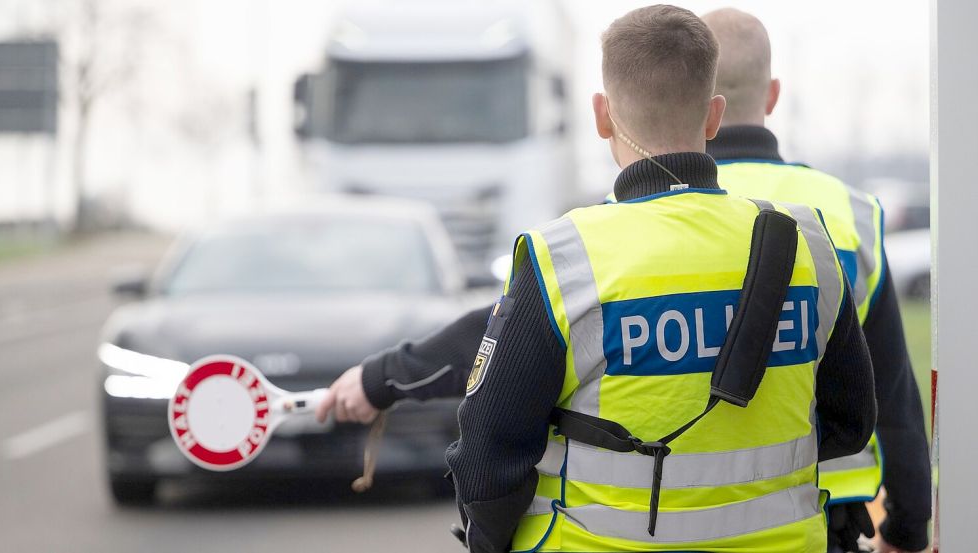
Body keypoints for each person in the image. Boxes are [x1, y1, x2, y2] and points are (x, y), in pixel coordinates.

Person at [320, 5, 876, 552]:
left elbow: (489, 446)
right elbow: (852, 421)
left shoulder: (567, 256)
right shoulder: (809, 242)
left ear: (602, 115)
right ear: (713, 116)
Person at [697, 9, 931, 553]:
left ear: (695, 97)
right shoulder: (850, 211)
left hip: (666, 522)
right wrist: (908, 524)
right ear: (773, 94)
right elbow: (891, 388)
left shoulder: (630, 214)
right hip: (827, 518)